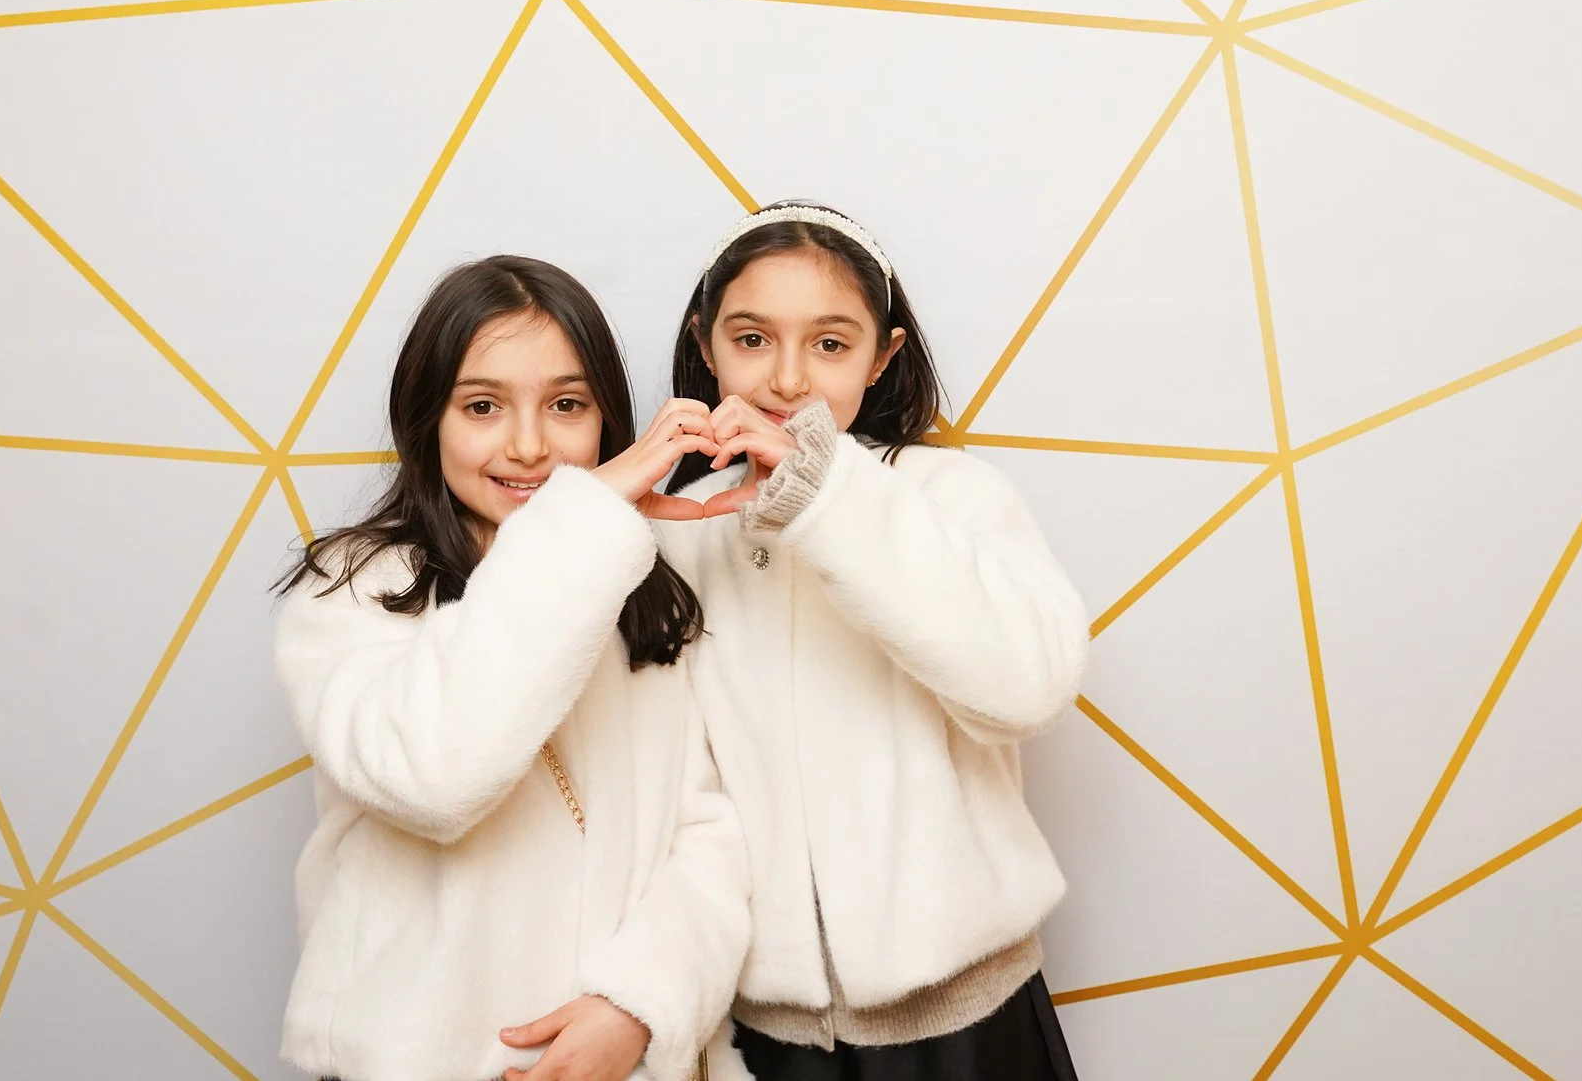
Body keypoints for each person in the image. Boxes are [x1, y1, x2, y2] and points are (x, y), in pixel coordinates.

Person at [275, 255, 750, 1081]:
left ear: (606, 419)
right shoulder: (353, 590)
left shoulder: (643, 588)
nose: (529, 445)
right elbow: (434, 774)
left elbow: (711, 834)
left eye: (566, 404)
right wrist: (581, 525)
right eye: (482, 406)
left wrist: (637, 1006)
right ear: (427, 417)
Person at [658, 204, 1089, 1080]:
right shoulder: (678, 531)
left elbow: (1029, 686)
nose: (787, 378)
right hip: (759, 1031)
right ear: (706, 344)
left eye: (830, 343)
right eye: (752, 338)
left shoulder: (950, 495)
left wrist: (825, 494)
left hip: (969, 1019)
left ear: (883, 355)